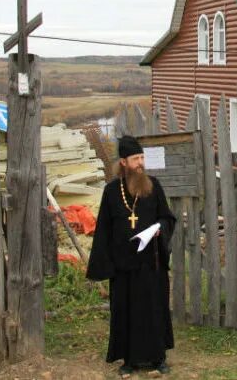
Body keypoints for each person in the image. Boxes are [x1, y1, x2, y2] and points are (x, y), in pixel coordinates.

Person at [86, 135, 177, 377]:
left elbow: (167, 218)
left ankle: (158, 358)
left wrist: (160, 229)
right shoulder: (111, 192)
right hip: (123, 266)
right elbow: (103, 229)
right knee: (126, 312)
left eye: (142, 158)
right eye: (136, 158)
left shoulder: (153, 186)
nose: (141, 163)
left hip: (151, 263)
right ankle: (129, 360)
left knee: (154, 310)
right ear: (124, 162)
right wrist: (104, 267)